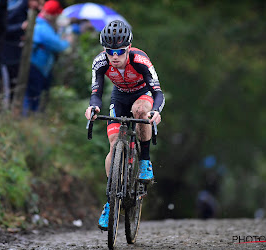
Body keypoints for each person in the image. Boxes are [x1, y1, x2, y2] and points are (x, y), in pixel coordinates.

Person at [84, 20, 165, 230]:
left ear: (128, 47)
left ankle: (145, 161)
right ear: (105, 50)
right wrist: (92, 108)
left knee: (140, 112)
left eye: (120, 51)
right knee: (113, 144)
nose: (115, 56)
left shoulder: (140, 60)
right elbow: (96, 93)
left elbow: (158, 92)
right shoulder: (100, 63)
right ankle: (110, 202)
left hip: (142, 94)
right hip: (118, 98)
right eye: (111, 51)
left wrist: (155, 111)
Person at [22, 0, 71, 116]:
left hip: (38, 67)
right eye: (56, 14)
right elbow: (58, 45)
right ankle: (26, 121)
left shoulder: (43, 26)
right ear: (51, 15)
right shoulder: (43, 28)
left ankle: (27, 120)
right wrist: (68, 41)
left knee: (32, 96)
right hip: (36, 67)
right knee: (32, 97)